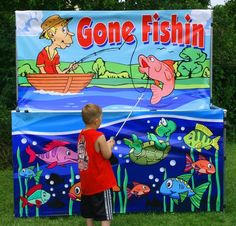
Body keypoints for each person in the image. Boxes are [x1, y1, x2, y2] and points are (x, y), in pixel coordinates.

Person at [78, 104, 117, 226]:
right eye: (101, 118)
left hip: (87, 184)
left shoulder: (81, 134)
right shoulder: (99, 136)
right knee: (105, 215)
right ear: (96, 120)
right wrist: (109, 145)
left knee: (89, 214)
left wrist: (104, 145)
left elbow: (92, 151)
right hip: (101, 184)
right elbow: (106, 155)